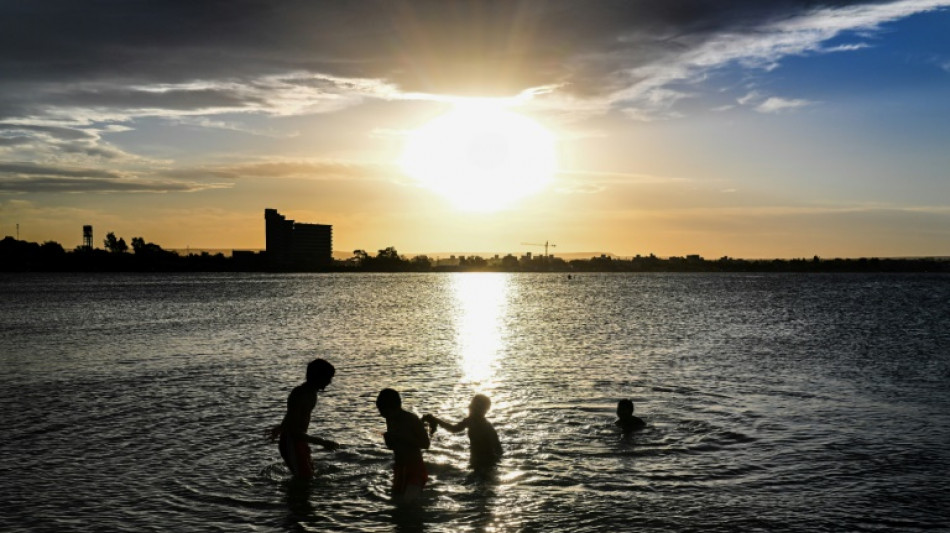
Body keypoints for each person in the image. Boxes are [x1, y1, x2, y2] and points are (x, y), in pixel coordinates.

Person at [268, 359, 340, 479]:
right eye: (328, 378)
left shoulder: (312, 393)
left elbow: (291, 416)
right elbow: (294, 431)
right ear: (317, 377)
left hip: (300, 440)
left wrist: (281, 426)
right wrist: (322, 442)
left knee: (309, 476)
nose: (329, 382)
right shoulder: (300, 394)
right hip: (291, 442)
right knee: (304, 479)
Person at [423, 394, 503, 473]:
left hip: (480, 461)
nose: (469, 407)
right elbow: (498, 448)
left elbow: (453, 429)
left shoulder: (472, 421)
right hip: (486, 461)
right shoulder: (486, 425)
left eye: (472, 405)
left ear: (478, 409)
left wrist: (436, 420)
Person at [376, 388, 430, 501]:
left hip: (415, 469)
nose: (383, 416)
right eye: (381, 413)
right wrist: (388, 439)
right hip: (400, 468)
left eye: (384, 412)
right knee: (397, 504)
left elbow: (426, 444)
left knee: (408, 504)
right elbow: (392, 447)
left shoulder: (412, 419)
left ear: (394, 408)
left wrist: (405, 438)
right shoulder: (390, 419)